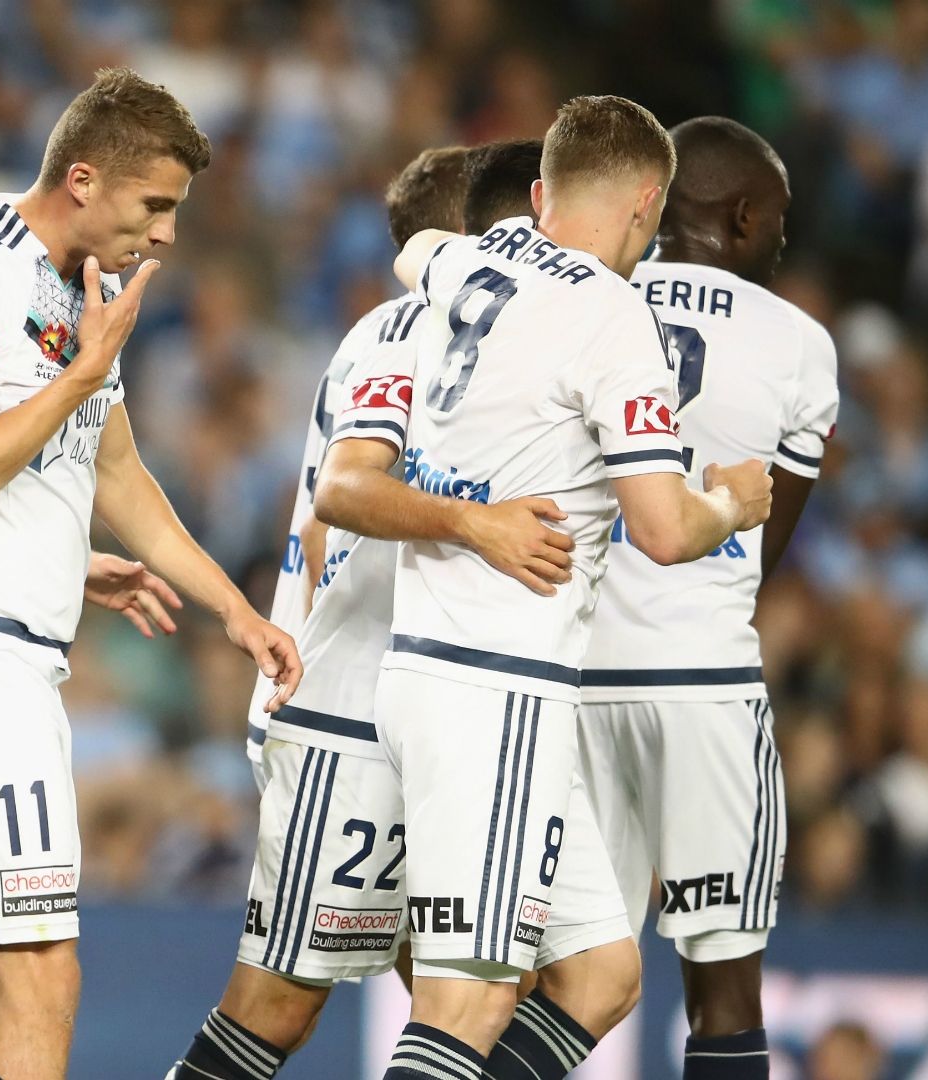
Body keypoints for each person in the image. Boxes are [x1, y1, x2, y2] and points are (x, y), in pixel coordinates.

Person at [0, 68, 300, 1080]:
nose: (165, 236)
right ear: (83, 180)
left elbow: (119, 473)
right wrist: (84, 371)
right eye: (156, 205)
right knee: (44, 979)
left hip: (17, 664)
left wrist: (235, 610)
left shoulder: (75, 291)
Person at [352, 95, 774, 1080]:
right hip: (497, 686)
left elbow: (416, 248)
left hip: (435, 672)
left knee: (601, 973)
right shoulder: (615, 319)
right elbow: (663, 532)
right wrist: (732, 503)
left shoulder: (466, 260)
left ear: (542, 193)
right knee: (466, 1001)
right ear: (647, 204)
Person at [166, 137, 550, 1080]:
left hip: (435, 712)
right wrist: (478, 527)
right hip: (349, 704)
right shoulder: (406, 331)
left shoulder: (503, 349)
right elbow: (333, 512)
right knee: (279, 1006)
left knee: (476, 999)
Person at [577, 116, 839, 1080]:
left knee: (571, 985)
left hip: (572, 678)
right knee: (724, 996)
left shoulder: (584, 302)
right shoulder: (799, 343)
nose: (782, 241)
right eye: (779, 221)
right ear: (742, 216)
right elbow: (763, 548)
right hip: (702, 683)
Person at [234, 145, 471, 792]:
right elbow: (325, 529)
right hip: (342, 705)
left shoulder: (381, 327)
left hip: (329, 695)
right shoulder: (418, 330)